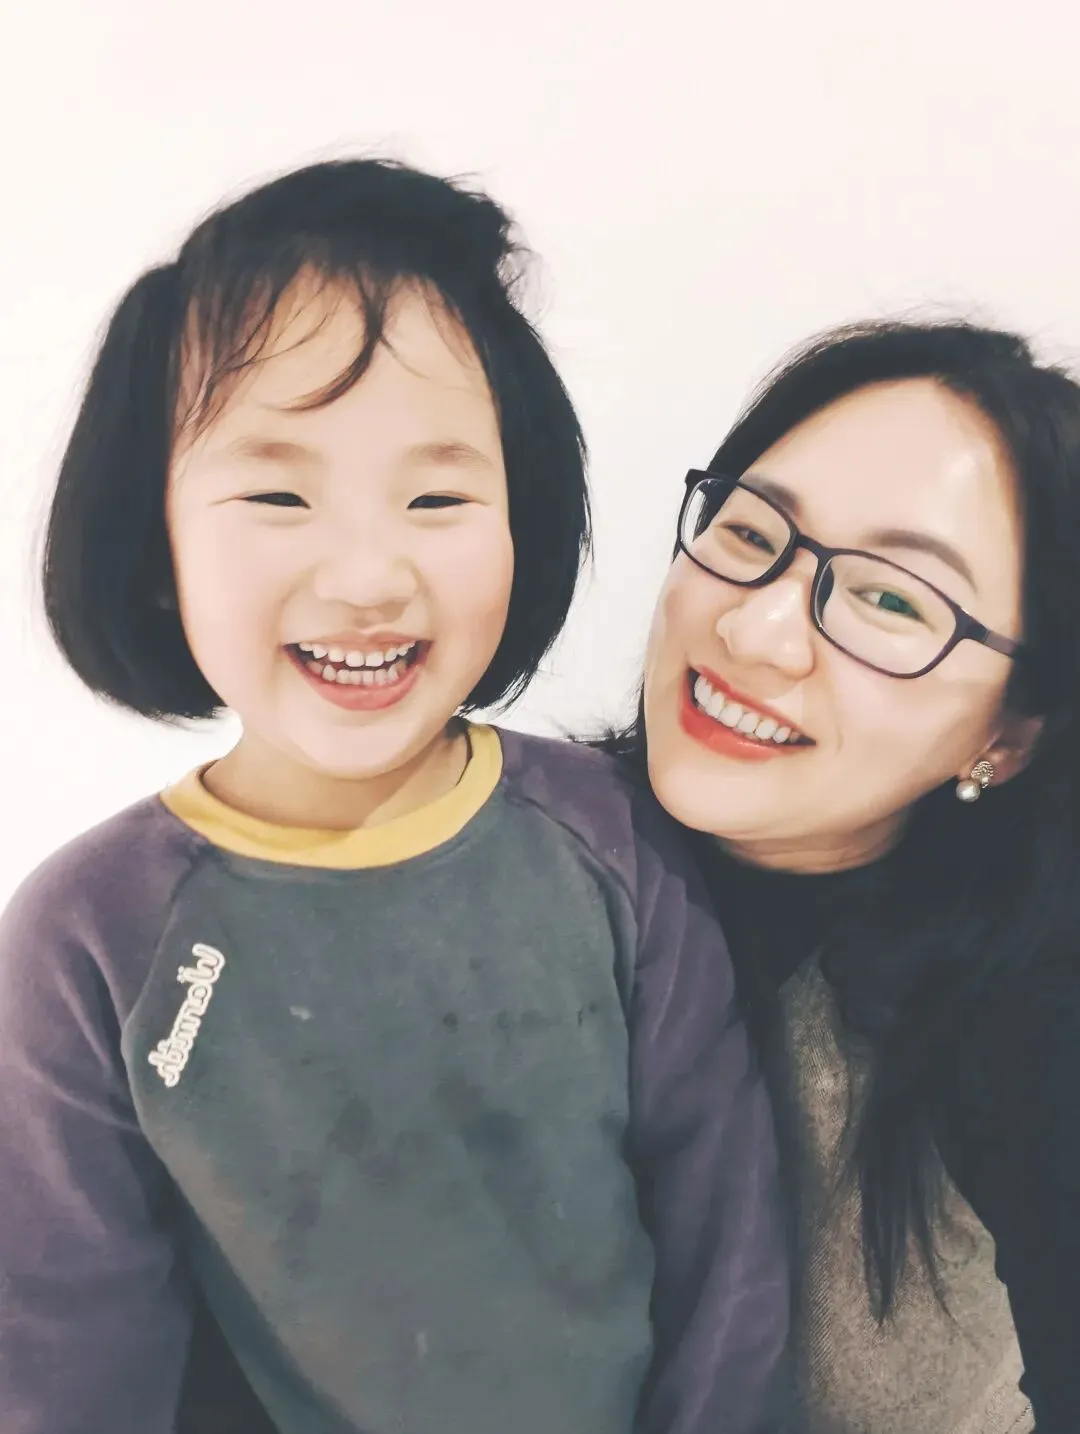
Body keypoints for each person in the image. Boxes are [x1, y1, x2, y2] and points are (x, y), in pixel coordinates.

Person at [0, 158, 788, 1434]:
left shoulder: (614, 843)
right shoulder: (88, 938)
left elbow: (727, 1254)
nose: (369, 576)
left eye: (437, 497)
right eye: (277, 495)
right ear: (153, 544)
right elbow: (72, 1358)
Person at [611, 319, 1080, 1433]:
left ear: (1010, 736)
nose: (757, 628)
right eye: (749, 530)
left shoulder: (1027, 1020)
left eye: (893, 600)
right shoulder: (514, 849)